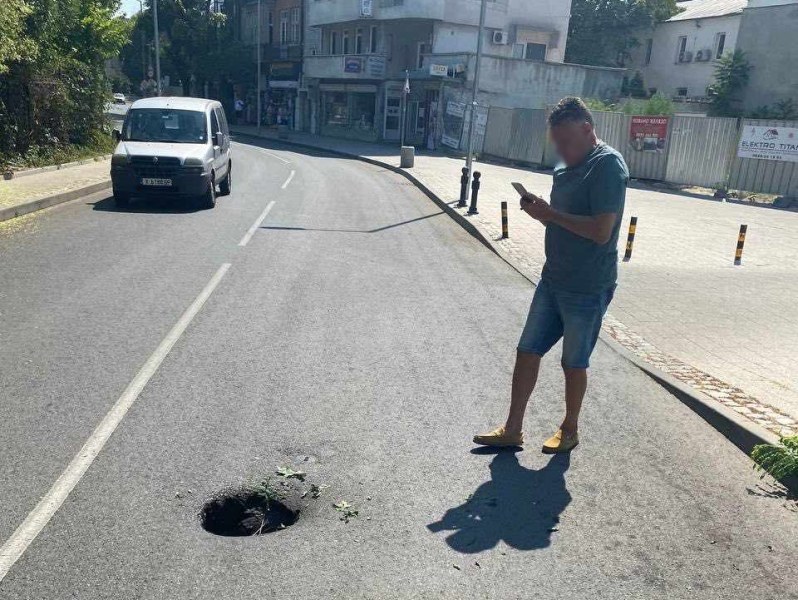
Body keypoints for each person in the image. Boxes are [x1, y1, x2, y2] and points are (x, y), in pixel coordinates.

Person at [474, 97, 629, 454]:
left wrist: (552, 216)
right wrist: (541, 213)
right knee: (527, 351)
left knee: (573, 363)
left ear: (588, 130)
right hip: (553, 279)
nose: (560, 149)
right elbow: (563, 215)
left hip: (587, 286)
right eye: (555, 142)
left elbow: (601, 231)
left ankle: (569, 429)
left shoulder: (607, 166)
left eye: (566, 141)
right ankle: (513, 429)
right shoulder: (564, 166)